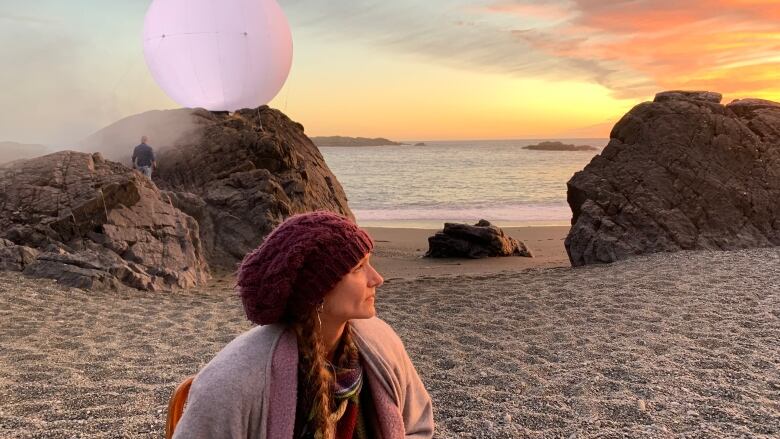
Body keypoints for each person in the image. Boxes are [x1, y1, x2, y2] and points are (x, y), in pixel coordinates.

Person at [173, 211, 434, 438]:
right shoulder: (234, 380)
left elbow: (418, 425)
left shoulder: (381, 342)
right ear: (317, 291)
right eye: (359, 267)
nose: (377, 279)